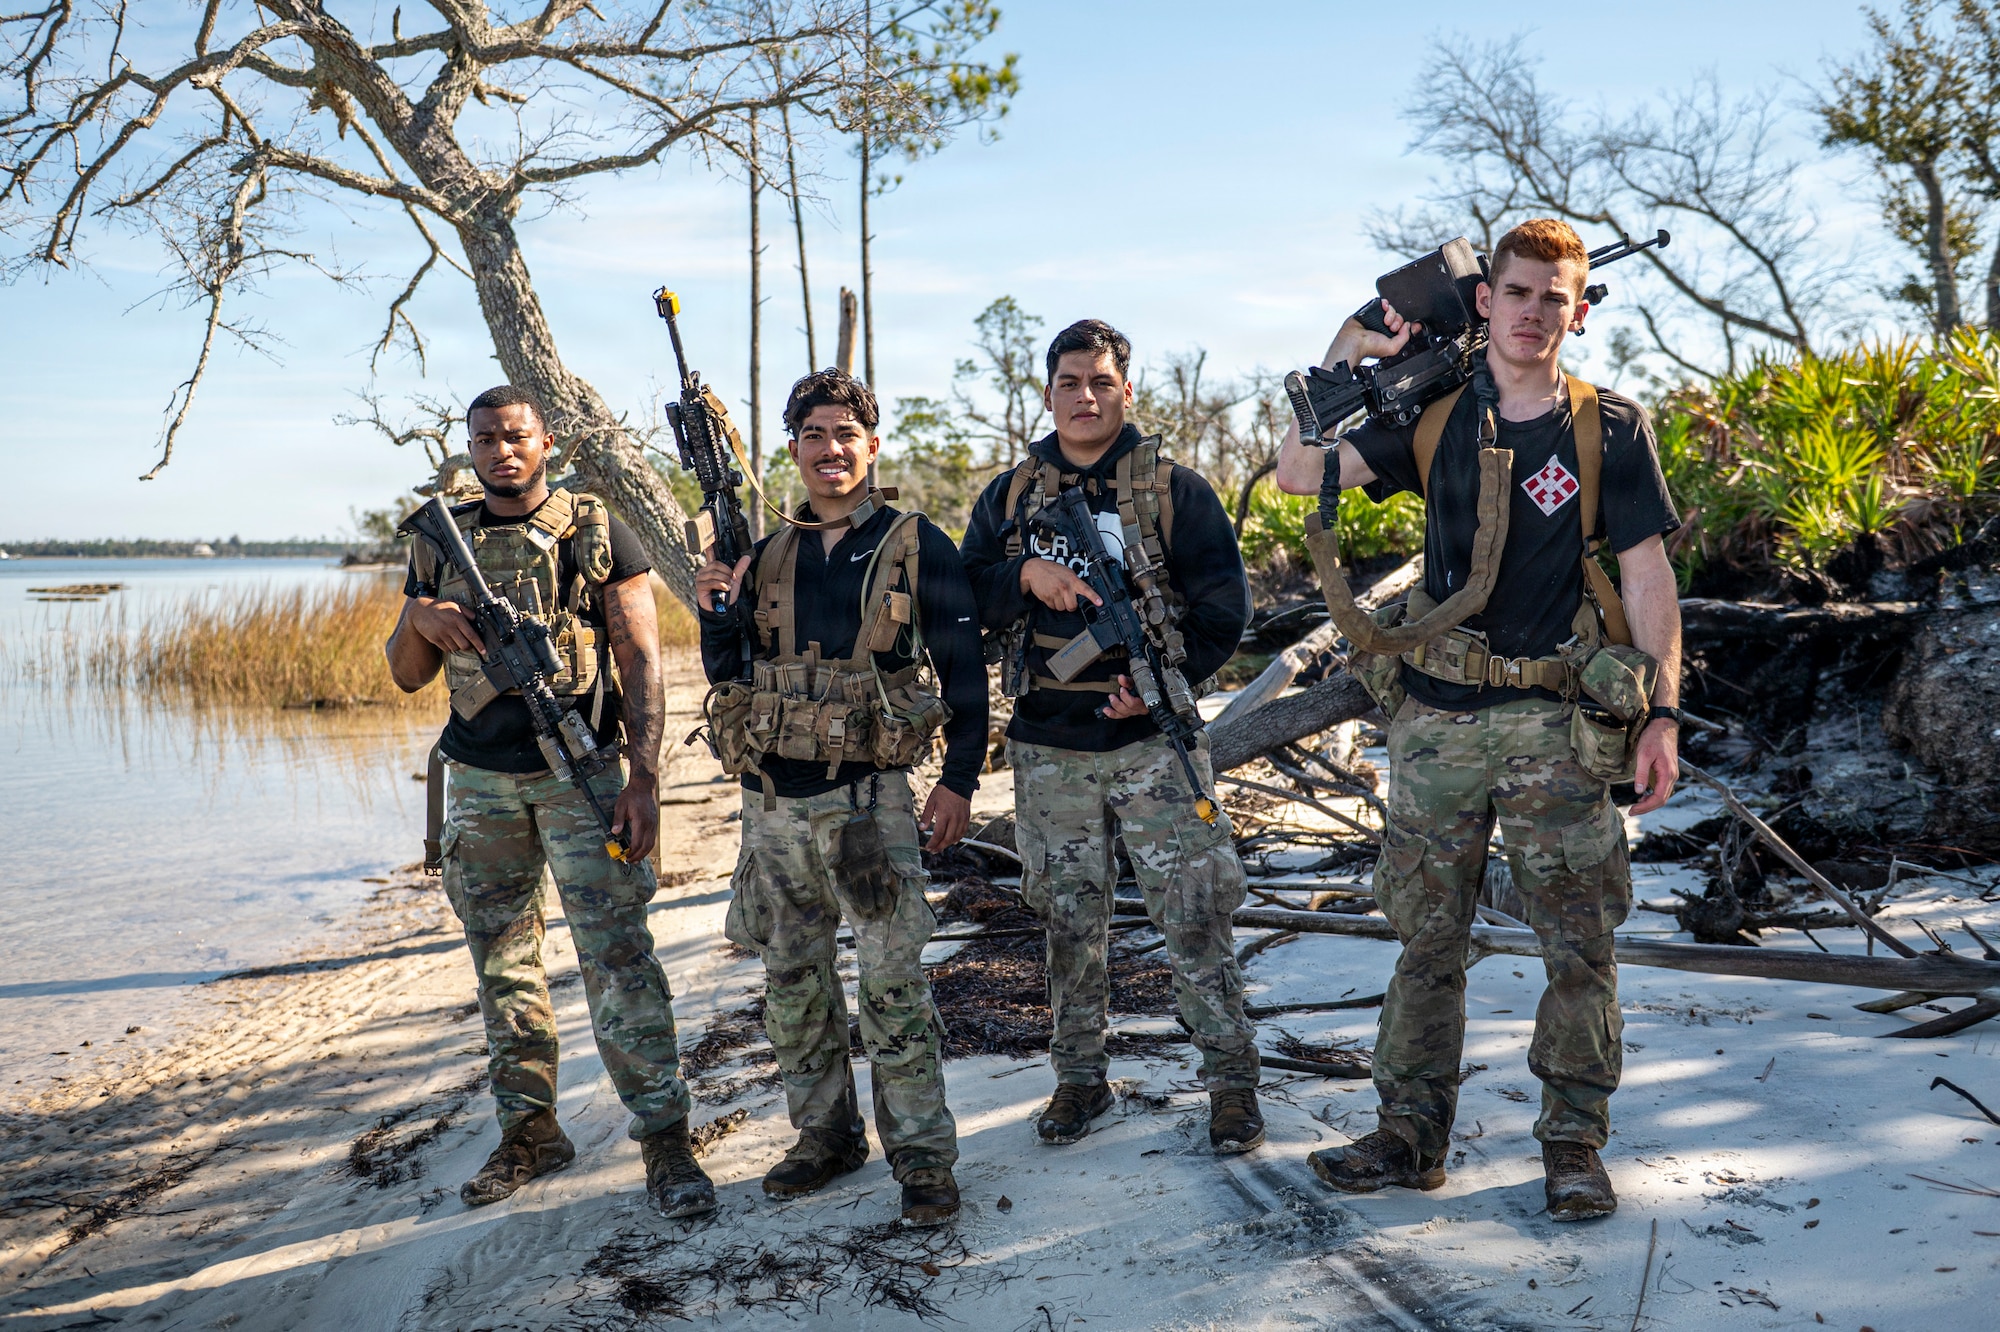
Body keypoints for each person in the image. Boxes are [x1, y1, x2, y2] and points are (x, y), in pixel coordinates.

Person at [1274, 218, 1684, 1220]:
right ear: (1484, 300)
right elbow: (1295, 471)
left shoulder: (1609, 427)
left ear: (1576, 312)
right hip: (1437, 723)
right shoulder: (1433, 416)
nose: (1533, 310)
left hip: (1554, 722)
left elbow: (1645, 575)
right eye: (1517, 291)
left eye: (1555, 296)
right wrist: (1348, 347)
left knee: (1577, 943)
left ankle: (1572, 1146)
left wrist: (1662, 711)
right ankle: (1408, 1134)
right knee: (1425, 939)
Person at [384, 385, 716, 1218]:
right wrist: (420, 616)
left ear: (547, 441)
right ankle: (529, 1134)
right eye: (485, 438)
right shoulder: (437, 540)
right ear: (469, 447)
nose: (501, 451)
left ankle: (667, 1140)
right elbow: (405, 674)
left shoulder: (596, 530)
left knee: (618, 959)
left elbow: (641, 659)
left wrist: (643, 781)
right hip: (480, 782)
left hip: (582, 774)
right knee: (502, 967)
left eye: (516, 436)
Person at [959, 320, 1264, 1154]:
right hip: (1048, 748)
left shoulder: (1175, 489)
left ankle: (1233, 1086)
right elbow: (963, 594)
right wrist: (1023, 575)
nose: (1085, 397)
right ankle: (1080, 1081)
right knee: (1067, 921)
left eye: (1101, 381)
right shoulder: (1009, 495)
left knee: (1196, 914)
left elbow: (1223, 611)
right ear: (1048, 391)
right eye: (1069, 382)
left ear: (1126, 390)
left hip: (1152, 747)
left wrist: (1158, 688)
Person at [694, 368, 987, 1228]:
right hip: (772, 805)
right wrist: (718, 608)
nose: (830, 449)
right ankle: (824, 1137)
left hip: (870, 801)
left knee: (893, 985)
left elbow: (964, 672)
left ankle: (925, 1161)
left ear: (872, 444)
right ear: (793, 448)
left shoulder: (912, 539)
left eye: (845, 434)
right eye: (814, 435)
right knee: (792, 982)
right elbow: (730, 677)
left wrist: (960, 780)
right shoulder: (764, 550)